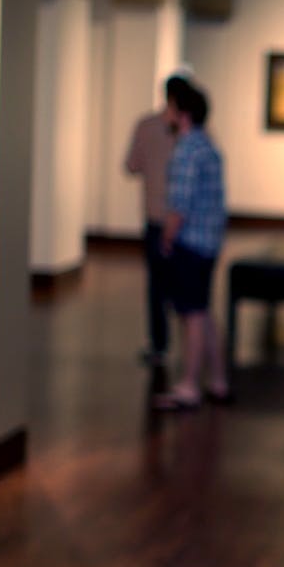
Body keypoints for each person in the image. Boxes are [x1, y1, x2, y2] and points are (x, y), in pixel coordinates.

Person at [152, 81, 230, 410]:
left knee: (192, 315)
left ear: (182, 113)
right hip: (209, 243)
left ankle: (189, 385)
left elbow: (178, 206)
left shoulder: (186, 150)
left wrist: (166, 238)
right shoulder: (208, 147)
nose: (165, 113)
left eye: (169, 106)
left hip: (190, 245)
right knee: (203, 312)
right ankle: (218, 380)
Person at [125, 73, 190, 367]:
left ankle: (160, 345)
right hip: (185, 222)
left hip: (155, 218)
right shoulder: (192, 132)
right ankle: (190, 348)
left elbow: (131, 165)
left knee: (156, 287)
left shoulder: (146, 126)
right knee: (185, 288)